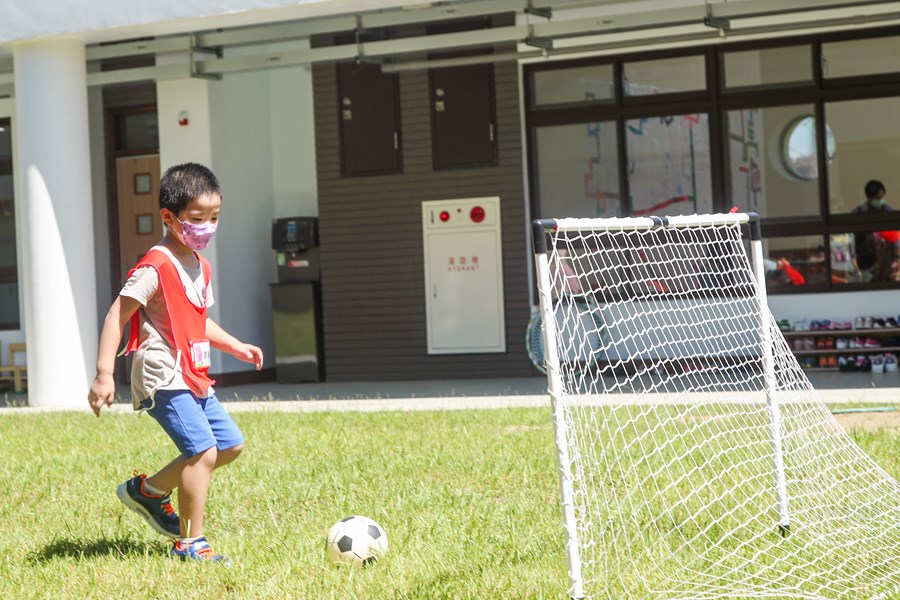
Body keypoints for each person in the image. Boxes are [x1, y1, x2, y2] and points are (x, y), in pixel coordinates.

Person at [87, 162, 263, 565]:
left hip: (192, 373)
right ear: (169, 217)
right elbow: (117, 313)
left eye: (214, 218)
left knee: (229, 445)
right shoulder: (157, 264)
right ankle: (191, 543)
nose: (207, 226)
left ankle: (146, 493)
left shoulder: (201, 266)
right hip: (161, 373)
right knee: (202, 452)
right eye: (198, 218)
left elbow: (198, 318)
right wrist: (103, 374)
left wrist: (235, 345)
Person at [852, 180, 893, 281]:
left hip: (885, 259)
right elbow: (852, 239)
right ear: (868, 197)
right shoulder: (858, 213)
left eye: (881, 197)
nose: (880, 200)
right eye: (877, 198)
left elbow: (896, 236)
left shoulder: (888, 211)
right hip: (865, 260)